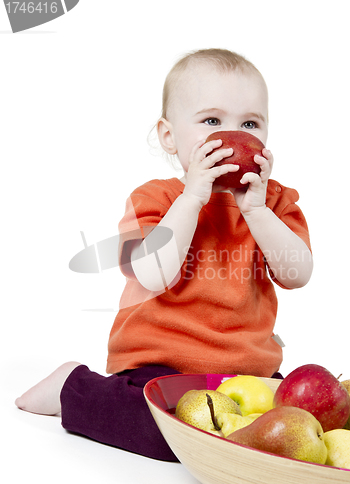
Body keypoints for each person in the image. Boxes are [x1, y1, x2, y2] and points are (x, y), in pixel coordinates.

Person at [15, 48, 313, 462]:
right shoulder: (155, 199)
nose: (230, 137)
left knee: (281, 434)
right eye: (212, 121)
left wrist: (257, 212)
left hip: (249, 373)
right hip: (162, 367)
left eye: (249, 124)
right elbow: (154, 275)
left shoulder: (274, 202)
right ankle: (73, 388)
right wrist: (192, 198)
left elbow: (297, 273)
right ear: (169, 136)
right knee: (173, 437)